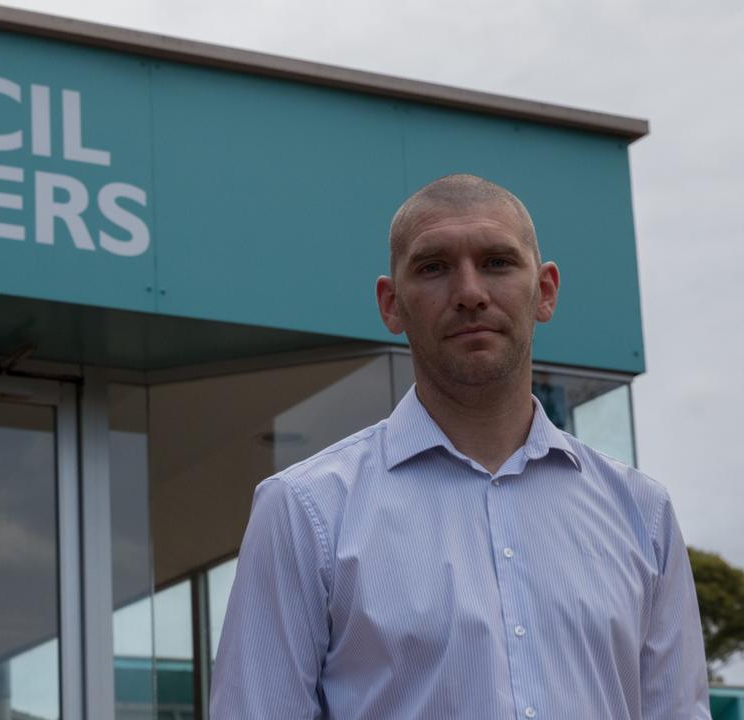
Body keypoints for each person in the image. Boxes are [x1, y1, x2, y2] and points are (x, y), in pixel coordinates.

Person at [210, 174, 709, 719]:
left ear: (544, 291)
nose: (470, 293)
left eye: (497, 262)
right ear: (391, 304)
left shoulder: (642, 513)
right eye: (434, 267)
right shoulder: (305, 512)